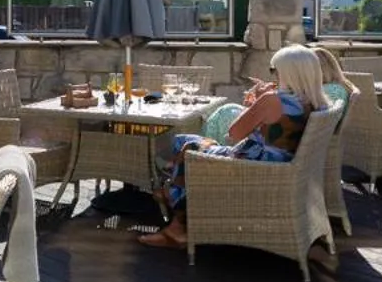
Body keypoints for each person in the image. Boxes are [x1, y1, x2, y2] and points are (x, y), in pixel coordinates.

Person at [139, 45, 332, 250]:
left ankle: (176, 221)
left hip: (254, 169)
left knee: (188, 147)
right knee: (186, 142)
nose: (273, 75)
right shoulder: (317, 103)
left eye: (274, 70)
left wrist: (256, 103)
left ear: (288, 73)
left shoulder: (271, 100)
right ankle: (172, 191)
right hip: (283, 168)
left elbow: (234, 133)